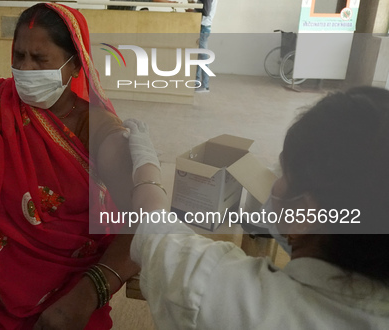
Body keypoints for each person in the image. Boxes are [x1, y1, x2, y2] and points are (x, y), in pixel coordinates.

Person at [0, 2, 139, 329]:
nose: (26, 69)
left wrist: (90, 292)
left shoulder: (98, 128)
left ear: (75, 64)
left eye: (40, 59)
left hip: (71, 290)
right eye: (18, 56)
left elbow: (143, 219)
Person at [124, 86, 389, 329]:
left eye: (284, 172)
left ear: (305, 212)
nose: (273, 183)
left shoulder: (222, 291)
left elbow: (152, 218)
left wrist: (144, 155)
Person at [186, 0, 217, 93]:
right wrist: (195, 5)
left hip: (203, 27)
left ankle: (205, 86)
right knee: (200, 55)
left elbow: (206, 11)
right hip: (203, 26)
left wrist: (192, 11)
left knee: (203, 57)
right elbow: (203, 7)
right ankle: (198, 83)